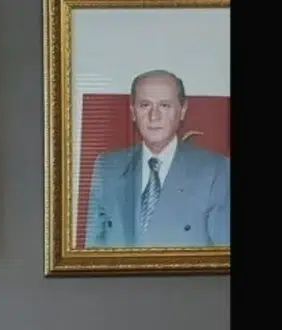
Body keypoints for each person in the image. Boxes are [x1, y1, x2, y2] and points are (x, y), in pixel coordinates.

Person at [84, 69, 229, 247]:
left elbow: (221, 257)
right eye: (145, 105)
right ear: (133, 112)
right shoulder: (107, 167)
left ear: (182, 110)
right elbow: (93, 252)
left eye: (165, 105)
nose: (154, 116)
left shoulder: (215, 171)